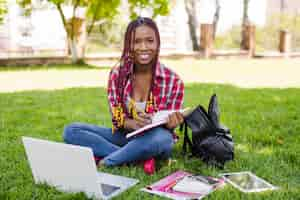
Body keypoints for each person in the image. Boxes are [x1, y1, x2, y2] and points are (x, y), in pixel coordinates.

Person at [63, 17, 184, 173]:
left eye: (150, 41)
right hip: (126, 136)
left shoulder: (173, 80)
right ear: (129, 45)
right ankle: (136, 159)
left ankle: (110, 160)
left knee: (163, 138)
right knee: (71, 131)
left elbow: (167, 128)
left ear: (157, 43)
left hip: (156, 139)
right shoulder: (117, 75)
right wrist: (133, 124)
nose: (144, 47)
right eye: (137, 41)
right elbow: (117, 117)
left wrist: (172, 123)